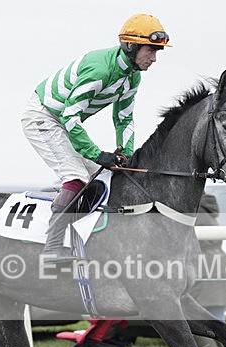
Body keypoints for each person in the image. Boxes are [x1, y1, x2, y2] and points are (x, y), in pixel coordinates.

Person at [21, 13, 170, 263]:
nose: (154, 59)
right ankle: (52, 247)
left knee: (107, 178)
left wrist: (125, 152)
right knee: (76, 177)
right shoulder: (100, 70)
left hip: (66, 121)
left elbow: (123, 118)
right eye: (150, 51)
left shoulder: (133, 75)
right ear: (131, 46)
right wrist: (97, 154)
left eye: (157, 52)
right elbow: (70, 117)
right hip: (44, 117)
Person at [190, 194, 226, 347]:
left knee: (196, 320)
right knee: (217, 320)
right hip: (215, 265)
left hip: (205, 267)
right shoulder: (206, 209)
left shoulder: (194, 211)